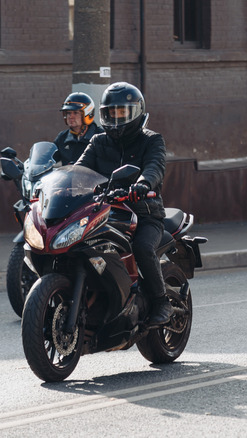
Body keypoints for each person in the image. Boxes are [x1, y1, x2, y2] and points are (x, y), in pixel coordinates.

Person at [75, 82, 172, 325]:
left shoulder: (151, 140)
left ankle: (162, 302)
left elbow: (155, 166)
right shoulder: (98, 142)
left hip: (144, 213)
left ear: (136, 112)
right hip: (104, 212)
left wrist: (144, 184)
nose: (116, 119)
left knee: (142, 247)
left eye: (122, 112)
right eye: (111, 113)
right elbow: (79, 170)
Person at [53, 92, 104, 164]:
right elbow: (49, 159)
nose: (71, 116)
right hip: (68, 175)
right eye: (68, 113)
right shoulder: (62, 138)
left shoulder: (101, 137)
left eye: (75, 113)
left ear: (87, 113)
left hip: (92, 175)